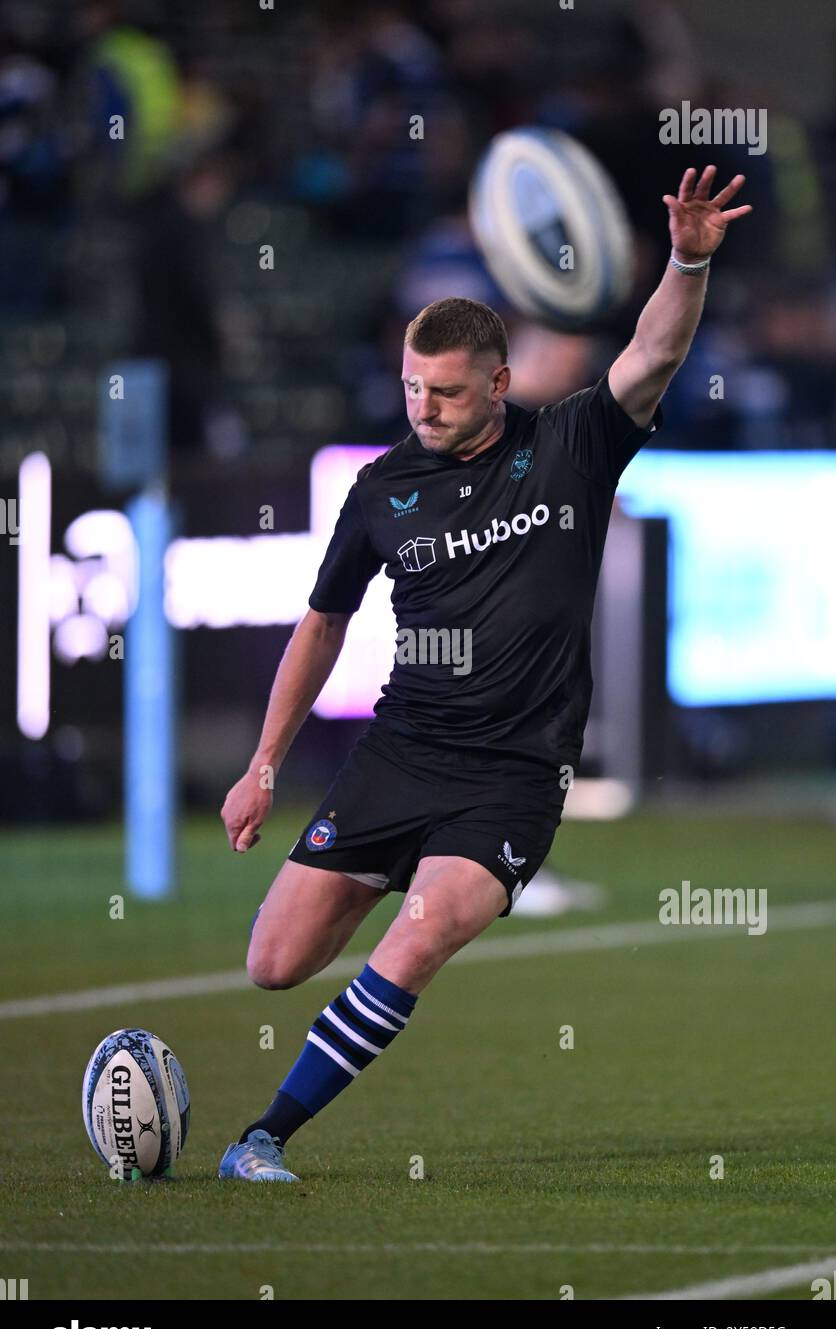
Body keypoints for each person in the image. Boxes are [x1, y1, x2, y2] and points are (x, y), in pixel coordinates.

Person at [218, 165, 752, 1182]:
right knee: (272, 963)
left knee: (415, 939)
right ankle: (379, 871)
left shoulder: (570, 444)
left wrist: (685, 257)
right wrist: (264, 763)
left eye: (447, 391)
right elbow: (321, 626)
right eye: (413, 388)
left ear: (499, 385)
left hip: (510, 771)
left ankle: (262, 1138)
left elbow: (653, 351)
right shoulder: (381, 488)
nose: (423, 407)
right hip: (401, 750)